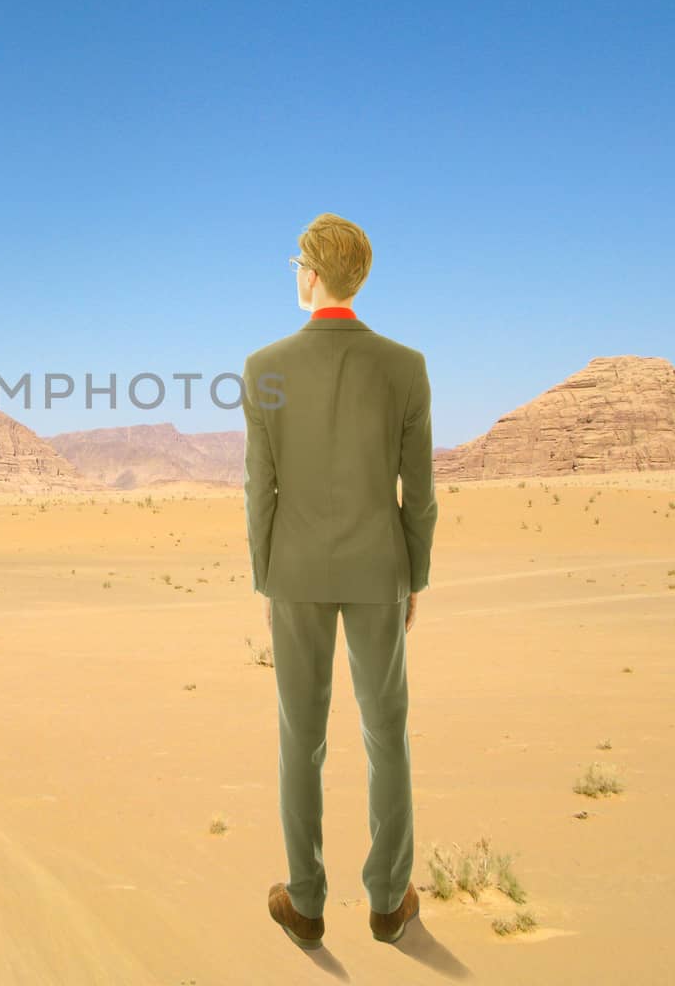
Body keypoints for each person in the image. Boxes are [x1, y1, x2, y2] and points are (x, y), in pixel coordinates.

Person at [242, 211, 438, 950]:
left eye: (298, 264)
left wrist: (269, 576)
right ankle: (389, 901)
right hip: (379, 569)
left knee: (302, 736)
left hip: (294, 573)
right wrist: (414, 574)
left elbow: (260, 489)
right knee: (387, 732)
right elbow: (416, 492)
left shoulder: (264, 367)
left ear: (313, 273)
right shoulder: (404, 365)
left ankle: (306, 899)